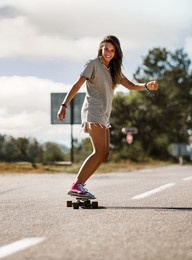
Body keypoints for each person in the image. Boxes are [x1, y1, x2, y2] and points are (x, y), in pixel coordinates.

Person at [57, 35, 158, 198]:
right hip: (93, 111)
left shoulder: (114, 70)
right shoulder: (93, 64)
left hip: (104, 114)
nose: (109, 52)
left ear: (116, 52)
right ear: (101, 48)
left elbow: (130, 86)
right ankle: (77, 184)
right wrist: (64, 105)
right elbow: (77, 85)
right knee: (98, 151)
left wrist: (146, 86)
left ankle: (80, 185)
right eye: (106, 49)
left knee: (104, 153)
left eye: (112, 50)